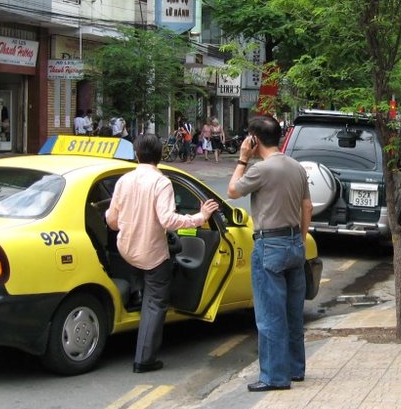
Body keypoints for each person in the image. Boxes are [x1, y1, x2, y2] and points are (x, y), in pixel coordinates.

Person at [106, 133, 219, 373]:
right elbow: (167, 220)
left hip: (125, 250)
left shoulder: (124, 180)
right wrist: (200, 217)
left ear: (137, 155)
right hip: (151, 253)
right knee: (155, 303)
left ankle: (137, 293)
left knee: (141, 283)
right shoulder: (161, 183)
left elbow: (112, 221)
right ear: (159, 157)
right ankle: (144, 360)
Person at [227, 115, 313, 392]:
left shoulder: (261, 170)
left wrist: (242, 159)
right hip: (293, 243)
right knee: (292, 312)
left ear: (254, 139)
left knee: (269, 315)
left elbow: (232, 191)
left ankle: (275, 377)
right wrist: (299, 238)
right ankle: (295, 369)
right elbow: (307, 207)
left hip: (269, 244)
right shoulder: (296, 166)